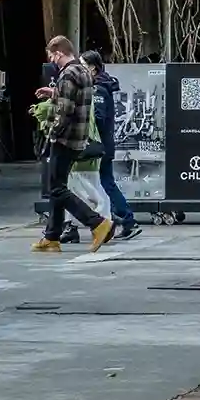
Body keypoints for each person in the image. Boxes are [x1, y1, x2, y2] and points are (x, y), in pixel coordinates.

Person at [32, 37, 113, 254]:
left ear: (58, 53)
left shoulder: (67, 74)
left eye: (52, 56)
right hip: (78, 137)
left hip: (65, 138)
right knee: (58, 185)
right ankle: (51, 237)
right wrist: (55, 92)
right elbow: (75, 98)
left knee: (57, 188)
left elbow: (64, 111)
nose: (52, 60)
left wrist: (51, 133)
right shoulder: (82, 71)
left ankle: (97, 223)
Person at [83, 51, 139, 240]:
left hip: (100, 145)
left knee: (105, 183)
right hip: (104, 144)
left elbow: (98, 118)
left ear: (93, 67)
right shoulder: (101, 86)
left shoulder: (98, 89)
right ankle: (121, 219)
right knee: (105, 183)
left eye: (83, 65)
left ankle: (125, 219)